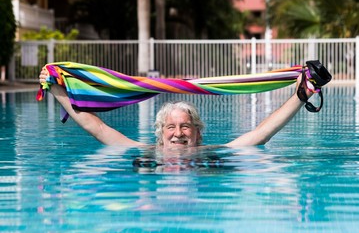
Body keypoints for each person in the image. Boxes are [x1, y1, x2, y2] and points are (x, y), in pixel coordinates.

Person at [39, 68, 315, 149]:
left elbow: (261, 133)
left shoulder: (213, 155)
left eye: (185, 126)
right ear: (160, 134)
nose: (179, 132)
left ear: (198, 133)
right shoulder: (143, 154)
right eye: (171, 127)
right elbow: (95, 126)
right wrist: (55, 87)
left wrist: (301, 96)